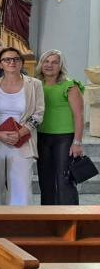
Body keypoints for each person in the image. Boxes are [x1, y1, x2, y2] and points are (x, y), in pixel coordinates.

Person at [0, 48, 44, 206]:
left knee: (21, 186)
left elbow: (38, 113)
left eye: (16, 59)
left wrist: (20, 133)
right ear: (0, 64)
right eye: (7, 59)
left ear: (21, 63)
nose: (11, 62)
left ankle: (20, 219)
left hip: (23, 139)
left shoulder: (34, 84)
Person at [35, 50, 85, 205]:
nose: (49, 65)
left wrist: (77, 142)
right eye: (46, 61)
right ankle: (48, 215)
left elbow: (79, 115)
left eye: (55, 62)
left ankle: (70, 216)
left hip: (64, 138)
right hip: (42, 137)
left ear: (60, 66)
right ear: (41, 64)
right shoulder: (36, 85)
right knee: (45, 180)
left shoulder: (70, 86)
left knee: (65, 180)